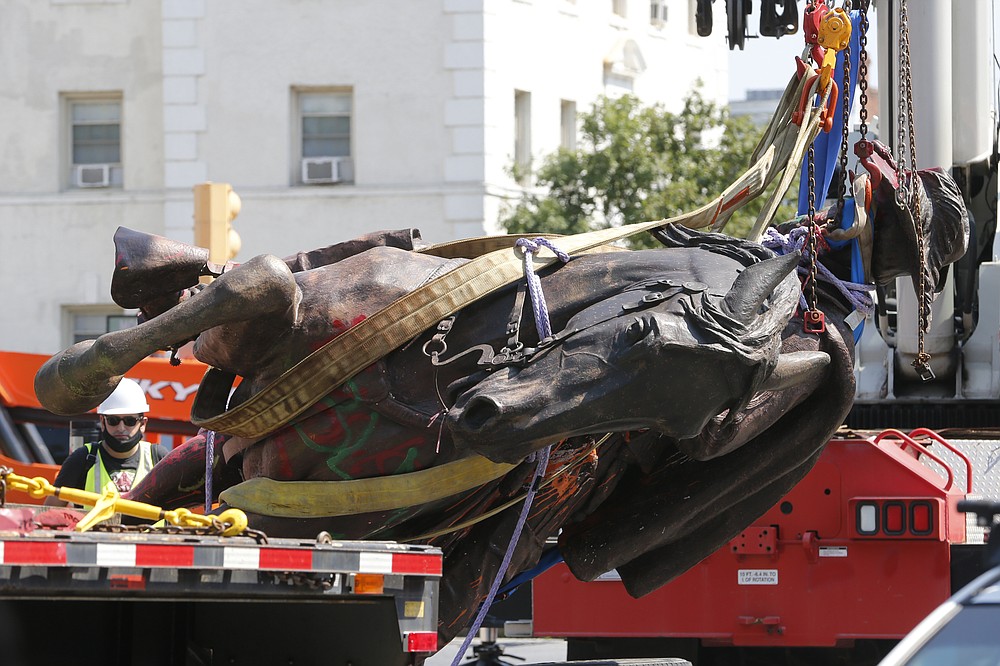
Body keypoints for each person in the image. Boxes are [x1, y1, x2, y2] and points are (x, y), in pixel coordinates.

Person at [45, 378, 168, 507]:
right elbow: (49, 511)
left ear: (142, 424)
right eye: (113, 420)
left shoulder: (158, 458)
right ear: (103, 422)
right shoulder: (82, 459)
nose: (121, 428)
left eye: (130, 421)